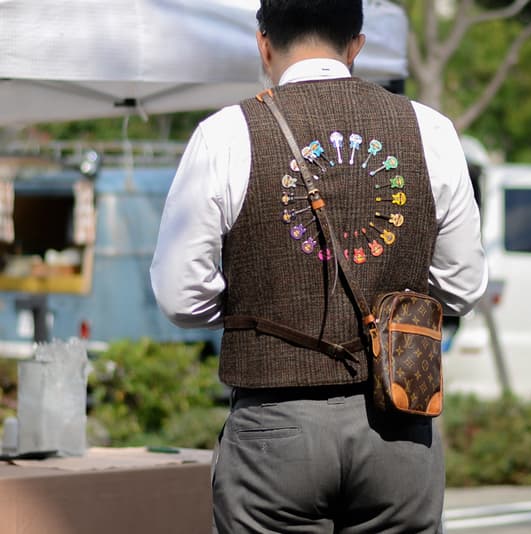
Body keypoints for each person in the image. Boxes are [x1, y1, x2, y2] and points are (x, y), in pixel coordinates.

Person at [150, 1, 487, 532]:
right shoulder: (431, 130)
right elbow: (462, 287)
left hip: (274, 428)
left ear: (263, 44)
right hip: (399, 420)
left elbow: (180, 296)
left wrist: (255, 307)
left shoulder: (226, 134)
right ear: (356, 44)